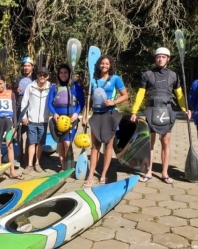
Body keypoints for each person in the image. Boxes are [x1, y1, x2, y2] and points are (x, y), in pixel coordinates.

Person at [131, 47, 191, 184]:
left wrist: (184, 109)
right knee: (150, 143)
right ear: (155, 58)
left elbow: (179, 94)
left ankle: (164, 173)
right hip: (152, 110)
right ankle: (148, 172)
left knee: (165, 142)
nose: (160, 59)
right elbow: (140, 94)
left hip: (167, 110)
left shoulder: (174, 75)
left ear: (168, 59)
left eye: (163, 57)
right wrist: (134, 111)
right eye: (158, 57)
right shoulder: (147, 74)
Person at [82, 55, 129, 186]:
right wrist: (85, 116)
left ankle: (103, 174)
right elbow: (89, 101)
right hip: (96, 116)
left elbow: (125, 95)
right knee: (95, 147)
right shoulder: (93, 80)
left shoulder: (115, 79)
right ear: (99, 65)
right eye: (102, 63)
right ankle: (91, 174)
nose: (104, 66)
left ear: (110, 65)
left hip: (110, 115)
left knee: (108, 146)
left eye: (107, 64)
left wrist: (113, 102)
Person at [0, 74, 24, 180]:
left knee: (9, 145)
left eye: (1, 84)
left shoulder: (11, 93)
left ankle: (12, 171)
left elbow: (15, 110)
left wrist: (15, 125)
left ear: (5, 83)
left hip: (8, 121)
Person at [47, 64, 85, 171]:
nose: (63, 75)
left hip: (71, 118)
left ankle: (70, 166)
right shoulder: (54, 87)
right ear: (58, 74)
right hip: (58, 119)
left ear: (69, 74)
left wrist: (77, 113)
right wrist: (54, 113)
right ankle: (63, 168)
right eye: (61, 72)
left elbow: (81, 102)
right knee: (60, 142)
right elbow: (49, 103)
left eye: (65, 72)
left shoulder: (75, 86)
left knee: (67, 143)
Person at [21, 67, 51, 175]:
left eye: (44, 75)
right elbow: (24, 102)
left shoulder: (50, 88)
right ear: (37, 75)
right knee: (32, 142)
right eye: (40, 75)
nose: (42, 77)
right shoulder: (30, 86)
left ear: (47, 76)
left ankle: (37, 163)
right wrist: (24, 116)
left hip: (44, 120)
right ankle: (29, 164)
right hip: (32, 120)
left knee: (40, 143)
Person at [14, 57, 37, 167]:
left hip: (32, 108)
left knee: (30, 133)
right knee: (19, 134)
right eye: (25, 65)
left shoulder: (36, 78)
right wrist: (16, 90)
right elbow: (14, 93)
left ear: (32, 67)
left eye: (28, 65)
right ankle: (21, 154)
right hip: (20, 108)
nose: (26, 67)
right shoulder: (19, 78)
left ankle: (28, 156)